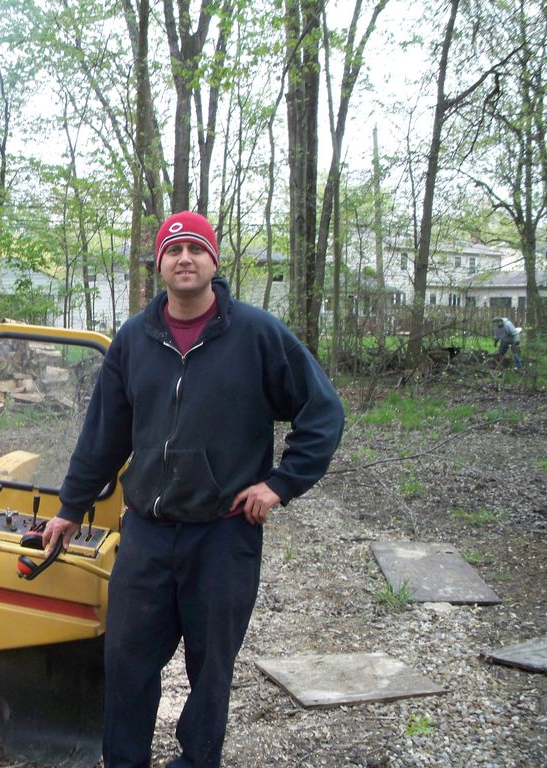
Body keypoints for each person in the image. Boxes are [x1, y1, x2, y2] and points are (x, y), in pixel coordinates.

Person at [42, 211, 345, 768]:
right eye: (173, 249)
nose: (184, 259)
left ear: (213, 261)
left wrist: (280, 484)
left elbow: (322, 411)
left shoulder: (256, 335)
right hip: (148, 537)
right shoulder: (134, 339)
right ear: (159, 262)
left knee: (211, 672)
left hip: (223, 538)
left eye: (195, 249)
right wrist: (71, 507)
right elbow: (103, 434)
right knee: (127, 662)